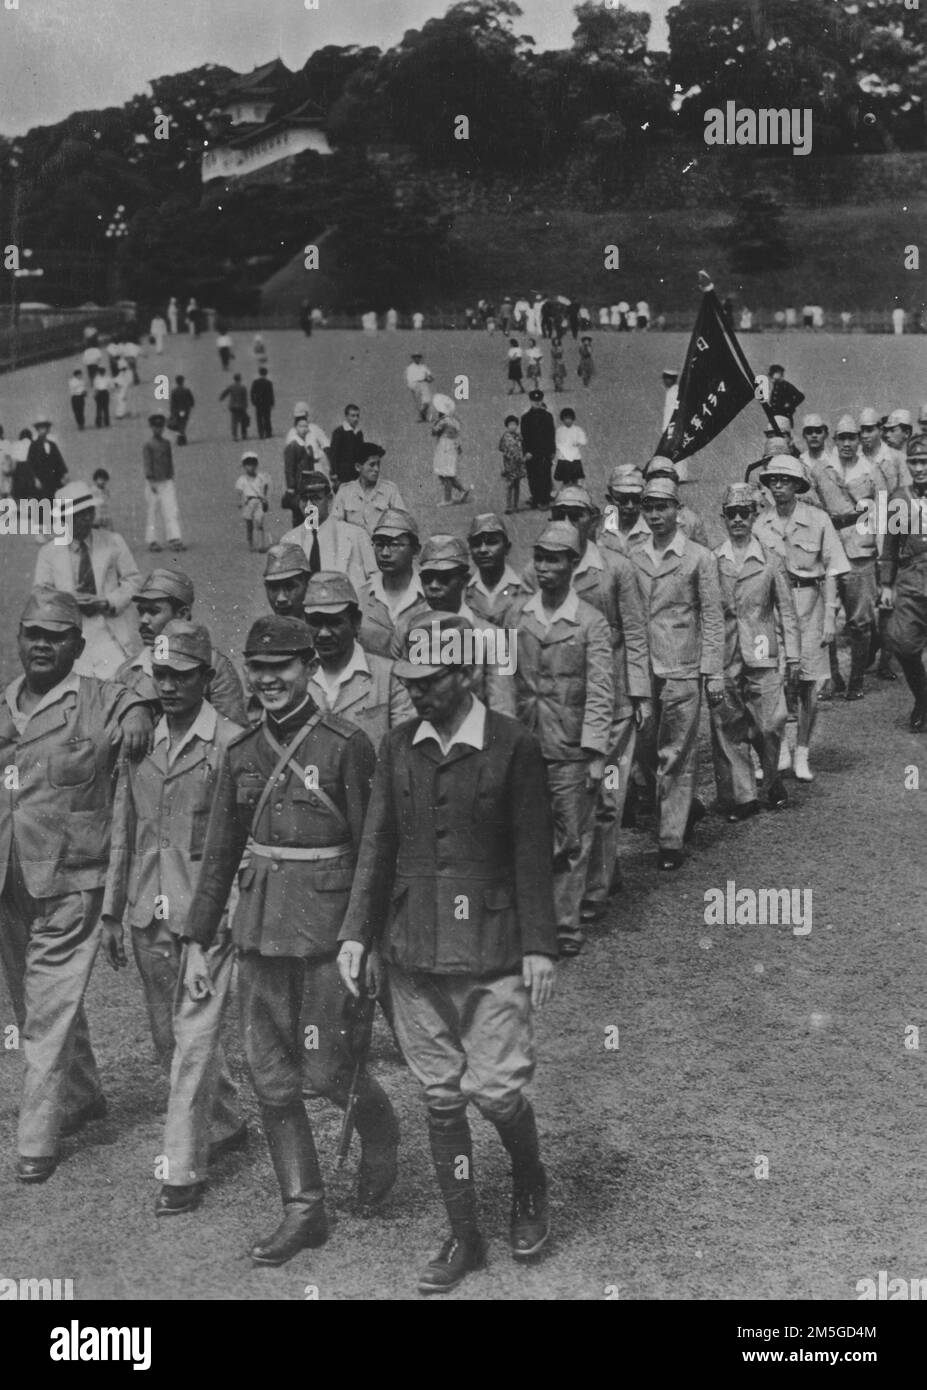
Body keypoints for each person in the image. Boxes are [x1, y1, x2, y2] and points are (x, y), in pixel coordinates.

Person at [338, 611, 558, 1294]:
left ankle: (529, 1183)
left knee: (494, 1094)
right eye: (407, 682)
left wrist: (538, 947)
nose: (415, 694)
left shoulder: (512, 744)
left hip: (491, 951)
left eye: (429, 683)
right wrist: (355, 933)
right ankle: (463, 1235)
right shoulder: (397, 744)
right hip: (413, 949)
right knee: (439, 1099)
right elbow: (376, 844)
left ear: (466, 675)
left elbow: (531, 850)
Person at [182, 615, 398, 1265]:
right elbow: (220, 852)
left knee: (329, 1068)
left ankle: (378, 1127)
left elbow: (373, 852)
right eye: (258, 668)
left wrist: (364, 937)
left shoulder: (345, 745)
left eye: (281, 667)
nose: (268, 679)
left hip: (331, 934)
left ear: (307, 667)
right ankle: (303, 1210)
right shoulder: (241, 750)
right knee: (268, 1074)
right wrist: (198, 938)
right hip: (259, 929)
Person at [0, 588, 151, 1183]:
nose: (41, 643)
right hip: (10, 882)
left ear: (78, 646)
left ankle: (37, 1136)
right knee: (35, 1002)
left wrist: (138, 707)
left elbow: (151, 679)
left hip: (72, 882)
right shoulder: (5, 703)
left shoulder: (101, 699)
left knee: (45, 1011)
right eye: (32, 632)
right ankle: (84, 1094)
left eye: (56, 635)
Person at [101, 620, 247, 1216]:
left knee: (192, 1040)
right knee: (169, 1039)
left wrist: (226, 917)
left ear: (207, 678)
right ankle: (229, 1119)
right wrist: (113, 911)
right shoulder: (141, 745)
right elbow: (125, 831)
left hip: (205, 918)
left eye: (182, 675)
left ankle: (181, 1169)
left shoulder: (233, 744)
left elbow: (240, 846)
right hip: (146, 911)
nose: (168, 685)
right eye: (160, 674)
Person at [498, 522, 614, 953]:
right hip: (525, 744)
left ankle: (565, 926)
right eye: (540, 558)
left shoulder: (591, 624)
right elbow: (503, 678)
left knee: (569, 839)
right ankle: (529, 924)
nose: (544, 568)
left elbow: (602, 691)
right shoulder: (518, 615)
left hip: (569, 749)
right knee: (524, 835)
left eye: (555, 559)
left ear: (574, 564)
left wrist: (596, 753)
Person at [540, 489, 651, 921]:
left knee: (606, 796)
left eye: (576, 514)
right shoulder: (546, 568)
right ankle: (599, 870)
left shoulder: (615, 568)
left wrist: (640, 693)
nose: (568, 520)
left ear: (593, 518)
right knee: (569, 798)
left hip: (615, 700)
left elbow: (637, 631)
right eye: (560, 513)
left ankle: (595, 889)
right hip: (565, 705)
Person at [629, 476, 725, 871]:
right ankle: (687, 807)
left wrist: (713, 671)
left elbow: (713, 617)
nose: (655, 515)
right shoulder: (632, 554)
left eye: (662, 507)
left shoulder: (699, 557)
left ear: (678, 510)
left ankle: (670, 838)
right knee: (645, 748)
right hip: (641, 667)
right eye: (648, 507)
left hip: (683, 666)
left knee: (677, 753)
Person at [754, 456, 849, 782]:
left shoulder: (818, 519)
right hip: (773, 609)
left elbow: (833, 570)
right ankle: (779, 749)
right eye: (773, 480)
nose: (778, 486)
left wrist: (829, 617)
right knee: (775, 680)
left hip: (809, 602)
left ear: (797, 485)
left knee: (809, 682)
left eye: (785, 480)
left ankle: (803, 752)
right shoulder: (760, 524)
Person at [710, 484, 800, 818]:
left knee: (769, 724)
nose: (737, 519)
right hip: (726, 652)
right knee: (730, 725)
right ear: (723, 517)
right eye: (731, 513)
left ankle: (773, 779)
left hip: (763, 651)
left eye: (744, 512)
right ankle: (744, 797)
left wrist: (793, 655)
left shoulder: (770, 559)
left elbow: (787, 611)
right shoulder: (713, 559)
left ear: (754, 515)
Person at [34, 481, 142, 679]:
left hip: (110, 629)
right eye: (78, 515)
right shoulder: (49, 552)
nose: (86, 519)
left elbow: (133, 581)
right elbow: (41, 593)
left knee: (119, 682)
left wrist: (109, 601)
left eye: (89, 512)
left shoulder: (113, 542)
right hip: (71, 633)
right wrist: (68, 600)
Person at [116, 569, 248, 727]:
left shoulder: (215, 666)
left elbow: (232, 730)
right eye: (141, 611)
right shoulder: (128, 670)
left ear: (182, 614)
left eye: (153, 611)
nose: (143, 620)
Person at [810, 414, 879, 700]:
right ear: (834, 440)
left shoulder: (871, 471)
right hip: (828, 549)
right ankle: (832, 676)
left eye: (852, 437)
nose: (847, 443)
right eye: (842, 438)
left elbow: (885, 515)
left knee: (860, 621)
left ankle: (857, 679)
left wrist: (883, 555)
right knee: (824, 616)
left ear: (859, 441)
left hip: (860, 551)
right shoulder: (820, 469)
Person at [305, 572, 413, 747]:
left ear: (356, 622)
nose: (323, 633)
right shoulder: (297, 675)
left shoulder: (389, 676)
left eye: (334, 622)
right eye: (315, 623)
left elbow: (404, 749)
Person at [880, 435, 927, 730]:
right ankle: (923, 699)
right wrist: (887, 584)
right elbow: (890, 546)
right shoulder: (900, 498)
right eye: (914, 462)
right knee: (904, 646)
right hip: (912, 581)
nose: (920, 468)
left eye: (925, 461)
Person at [280, 471, 377, 591]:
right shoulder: (289, 541)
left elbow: (376, 581)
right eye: (304, 499)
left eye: (316, 498)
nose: (309, 505)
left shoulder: (356, 535)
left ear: (330, 499)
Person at [358, 509, 429, 657]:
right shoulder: (361, 596)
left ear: (415, 550)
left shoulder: (430, 593)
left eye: (395, 544)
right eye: (379, 544)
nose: (385, 553)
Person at [466, 513, 532, 623]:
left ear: (507, 548)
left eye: (491, 542)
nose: (483, 550)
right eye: (476, 544)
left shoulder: (523, 589)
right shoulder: (464, 592)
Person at [330, 444, 404, 534]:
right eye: (372, 465)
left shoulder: (390, 490)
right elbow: (336, 524)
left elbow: (401, 523)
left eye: (378, 464)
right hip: (354, 546)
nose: (376, 469)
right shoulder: (345, 491)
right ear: (358, 467)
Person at [142, 413, 184, 553]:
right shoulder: (148, 445)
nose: (158, 429)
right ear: (151, 427)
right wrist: (150, 480)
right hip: (153, 482)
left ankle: (174, 538)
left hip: (166, 481)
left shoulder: (166, 443)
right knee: (153, 511)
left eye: (160, 427)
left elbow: (169, 460)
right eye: (155, 427)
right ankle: (152, 540)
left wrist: (171, 475)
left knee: (171, 509)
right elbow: (148, 463)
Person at [431, 395, 470, 507]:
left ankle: (447, 499)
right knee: (447, 473)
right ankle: (462, 490)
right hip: (452, 447)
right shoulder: (454, 421)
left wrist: (435, 422)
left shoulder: (443, 421)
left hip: (444, 447)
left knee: (445, 473)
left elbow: (434, 431)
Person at [520, 390, 555, 510]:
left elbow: (551, 435)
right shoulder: (525, 418)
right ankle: (535, 498)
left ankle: (544, 499)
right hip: (531, 452)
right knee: (532, 476)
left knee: (545, 475)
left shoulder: (548, 416)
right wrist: (526, 452)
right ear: (531, 401)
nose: (537, 403)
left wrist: (552, 450)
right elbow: (524, 437)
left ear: (542, 401)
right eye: (535, 401)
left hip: (545, 451)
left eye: (539, 401)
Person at [283, 417, 320, 529]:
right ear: (295, 428)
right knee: (299, 514)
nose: (304, 429)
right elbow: (289, 468)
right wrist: (291, 486)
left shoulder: (308, 446)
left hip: (309, 485)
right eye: (301, 426)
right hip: (298, 487)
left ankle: (312, 540)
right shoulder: (293, 446)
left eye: (305, 426)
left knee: (311, 513)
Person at [235, 451, 271, 552]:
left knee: (259, 522)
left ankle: (261, 544)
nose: (251, 467)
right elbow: (239, 491)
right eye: (248, 465)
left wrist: (264, 496)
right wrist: (239, 501)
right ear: (244, 466)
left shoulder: (260, 477)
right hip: (248, 503)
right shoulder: (242, 479)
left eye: (253, 464)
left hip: (259, 502)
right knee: (249, 525)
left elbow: (266, 485)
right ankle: (250, 543)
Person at [26, 419, 67, 501]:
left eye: (45, 428)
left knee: (57, 499)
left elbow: (59, 460)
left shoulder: (52, 444)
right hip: (41, 479)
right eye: (40, 428)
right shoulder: (34, 445)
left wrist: (64, 473)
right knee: (43, 501)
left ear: (48, 430)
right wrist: (35, 479)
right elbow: (30, 463)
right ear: (37, 430)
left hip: (54, 478)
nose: (43, 430)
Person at [328, 405, 366, 489]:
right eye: (352, 416)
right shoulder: (339, 432)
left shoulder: (359, 433)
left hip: (356, 474)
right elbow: (333, 454)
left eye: (357, 416)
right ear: (346, 416)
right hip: (342, 474)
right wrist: (334, 473)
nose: (355, 419)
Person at [498, 414, 526, 514]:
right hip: (510, 465)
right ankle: (508, 506)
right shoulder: (505, 437)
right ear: (507, 426)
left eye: (514, 424)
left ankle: (515, 505)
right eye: (510, 424)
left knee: (517, 485)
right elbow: (502, 448)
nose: (512, 426)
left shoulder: (519, 436)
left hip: (518, 465)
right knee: (510, 485)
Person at [554, 407, 587, 486]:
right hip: (563, 459)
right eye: (565, 419)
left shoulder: (578, 430)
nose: (568, 421)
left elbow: (583, 440)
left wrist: (578, 442)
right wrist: (562, 447)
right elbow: (556, 442)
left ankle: (574, 494)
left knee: (575, 479)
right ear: (562, 419)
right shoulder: (559, 430)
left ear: (573, 419)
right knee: (565, 481)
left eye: (569, 418)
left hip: (574, 458)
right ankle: (566, 494)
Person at [219, 374, 250, 442]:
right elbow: (245, 398)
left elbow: (225, 393)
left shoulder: (231, 386)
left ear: (234, 379)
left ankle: (235, 435)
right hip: (241, 406)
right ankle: (244, 434)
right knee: (243, 420)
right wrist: (245, 406)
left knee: (234, 421)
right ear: (240, 379)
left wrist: (221, 398)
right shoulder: (243, 387)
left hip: (233, 406)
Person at [405, 353, 434, 422]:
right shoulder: (410, 368)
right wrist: (411, 387)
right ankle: (422, 418)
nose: (417, 359)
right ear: (413, 359)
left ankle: (425, 416)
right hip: (415, 384)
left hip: (424, 383)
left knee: (427, 401)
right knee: (419, 402)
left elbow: (430, 376)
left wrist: (429, 379)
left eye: (418, 357)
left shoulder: (423, 367)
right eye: (415, 357)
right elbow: (409, 379)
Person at [250, 367, 275, 441]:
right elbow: (271, 394)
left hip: (258, 403)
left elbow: (252, 392)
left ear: (259, 373)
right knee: (267, 418)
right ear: (266, 373)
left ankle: (261, 433)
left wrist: (253, 401)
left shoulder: (255, 382)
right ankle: (268, 433)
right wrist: (272, 403)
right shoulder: (269, 383)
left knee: (259, 419)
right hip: (267, 403)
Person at [169, 376, 194, 446]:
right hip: (185, 410)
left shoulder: (174, 391)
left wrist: (172, 412)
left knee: (178, 424)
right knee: (183, 423)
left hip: (176, 411)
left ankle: (180, 438)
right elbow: (192, 401)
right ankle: (182, 438)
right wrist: (190, 406)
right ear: (182, 381)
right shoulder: (186, 390)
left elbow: (172, 403)